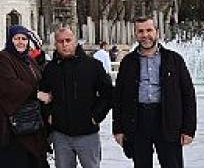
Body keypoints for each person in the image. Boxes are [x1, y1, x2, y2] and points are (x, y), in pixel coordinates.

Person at [112, 16, 196, 168]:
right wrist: (118, 129)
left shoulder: (174, 60)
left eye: (149, 30)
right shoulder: (128, 62)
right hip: (138, 121)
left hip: (167, 120)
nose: (145, 35)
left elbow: (188, 95)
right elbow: (118, 97)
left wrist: (188, 129)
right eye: (140, 31)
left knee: (172, 164)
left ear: (157, 32)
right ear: (135, 34)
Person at [39, 26, 113, 168]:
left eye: (68, 40)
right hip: (61, 133)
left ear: (75, 41)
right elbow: (44, 95)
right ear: (55, 44)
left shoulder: (93, 66)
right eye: (60, 41)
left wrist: (96, 116)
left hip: (87, 132)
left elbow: (108, 94)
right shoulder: (50, 69)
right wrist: (49, 115)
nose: (65, 44)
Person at [0, 25, 48, 168]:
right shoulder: (3, 59)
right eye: (17, 38)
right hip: (11, 127)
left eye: (24, 39)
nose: (21, 42)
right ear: (10, 40)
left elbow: (38, 79)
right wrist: (36, 94)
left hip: (30, 123)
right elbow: (9, 84)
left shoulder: (29, 60)